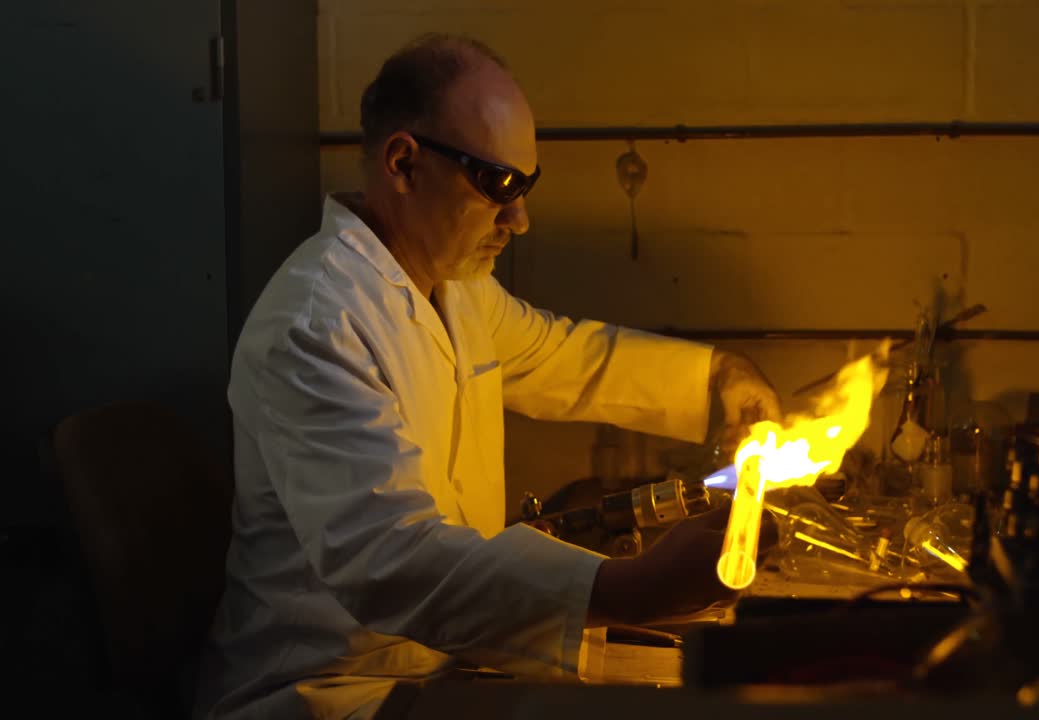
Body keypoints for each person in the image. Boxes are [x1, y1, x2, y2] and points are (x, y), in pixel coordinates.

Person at [193, 33, 781, 719]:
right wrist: (627, 587)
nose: (519, 219)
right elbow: (390, 558)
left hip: (436, 664)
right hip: (330, 692)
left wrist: (717, 378)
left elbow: (558, 356)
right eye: (498, 184)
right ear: (404, 163)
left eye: (526, 185)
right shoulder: (317, 324)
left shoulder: (454, 286)